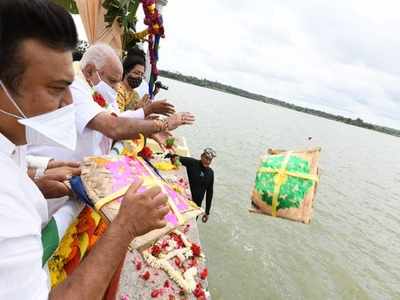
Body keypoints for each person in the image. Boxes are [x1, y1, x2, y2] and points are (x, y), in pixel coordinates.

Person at [0, 1, 170, 298]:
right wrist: (125, 227)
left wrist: (39, 174)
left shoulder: (12, 152)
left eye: (68, 87)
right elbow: (113, 127)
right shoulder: (7, 200)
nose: (68, 104)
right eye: (55, 89)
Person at [28, 42, 195, 162]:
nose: (117, 88)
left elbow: (117, 116)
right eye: (113, 81)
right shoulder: (73, 86)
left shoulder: (97, 88)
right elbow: (113, 127)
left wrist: (147, 115)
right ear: (90, 70)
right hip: (55, 192)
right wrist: (163, 124)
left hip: (81, 176)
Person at [170, 148, 216, 223]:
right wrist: (176, 161)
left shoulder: (211, 173)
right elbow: (174, 157)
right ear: (201, 156)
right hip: (183, 201)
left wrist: (207, 212)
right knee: (176, 222)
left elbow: (209, 193)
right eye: (206, 158)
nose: (207, 161)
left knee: (189, 225)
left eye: (210, 160)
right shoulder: (192, 163)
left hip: (195, 207)